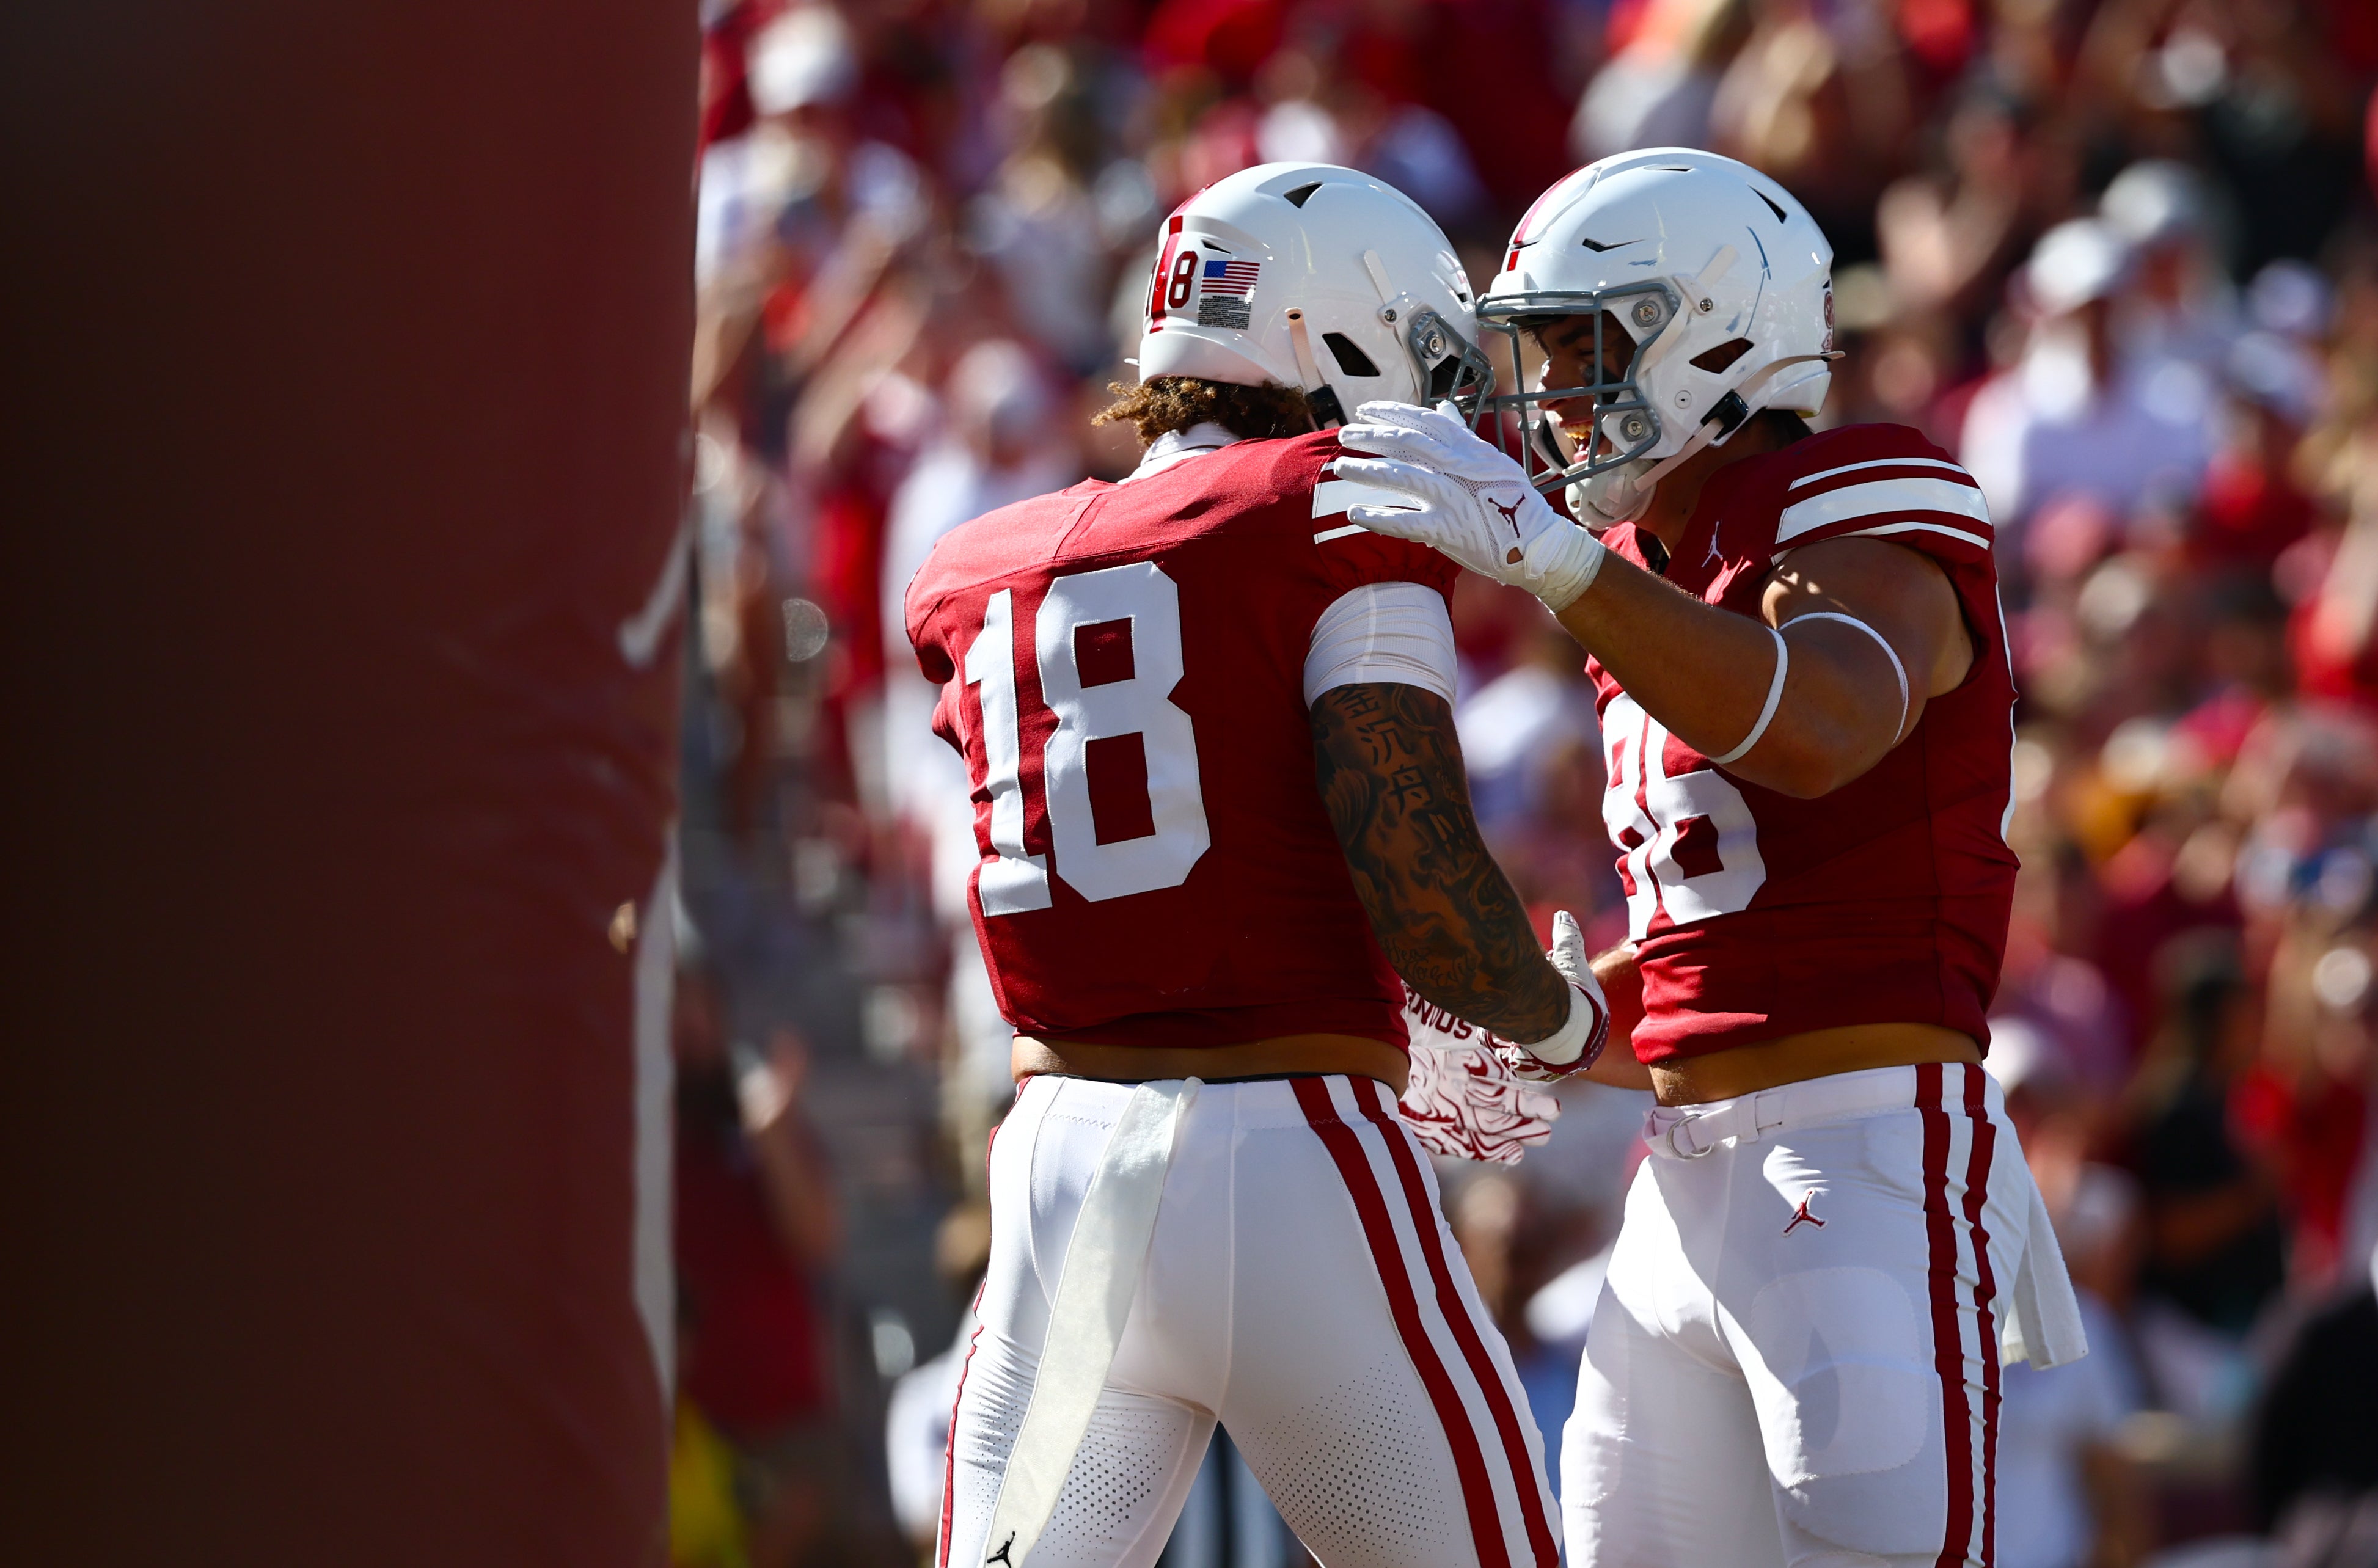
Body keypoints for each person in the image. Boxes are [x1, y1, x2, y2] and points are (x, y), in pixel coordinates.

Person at [1335, 147, 2089, 1568]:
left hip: (1858, 1155)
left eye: (1580, 351)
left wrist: (1566, 575)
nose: (1547, 400)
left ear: (1713, 334)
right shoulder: (1658, 588)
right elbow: (1730, 956)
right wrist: (1549, 1023)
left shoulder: (1849, 499)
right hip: (1676, 1180)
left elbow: (1819, 729)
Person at [902, 161, 1608, 1568]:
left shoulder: (973, 564)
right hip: (1282, 1152)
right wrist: (1555, 1019)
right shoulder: (1323, 513)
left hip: (1054, 1169)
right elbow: (1408, 865)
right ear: (1330, 336)